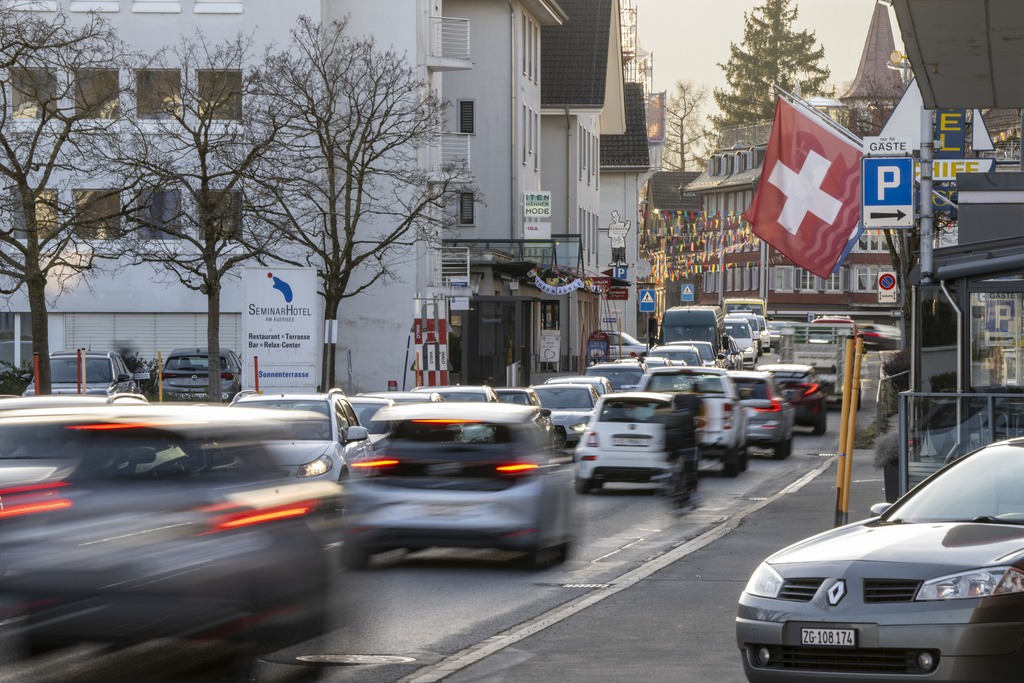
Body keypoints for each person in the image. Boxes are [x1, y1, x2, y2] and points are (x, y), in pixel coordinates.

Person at [663, 392, 702, 511]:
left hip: (672, 447)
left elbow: (665, 431)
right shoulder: (688, 415)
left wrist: (667, 449)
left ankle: (671, 488)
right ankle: (693, 495)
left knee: (672, 469)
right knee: (690, 471)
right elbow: (691, 434)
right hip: (686, 447)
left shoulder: (670, 414)